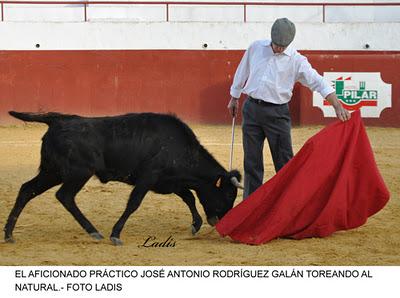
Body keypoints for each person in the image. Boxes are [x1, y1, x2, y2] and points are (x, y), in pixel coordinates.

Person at [227, 17, 351, 199]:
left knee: (284, 163)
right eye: (276, 44)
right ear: (271, 38)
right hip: (251, 109)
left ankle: (289, 204)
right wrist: (234, 98)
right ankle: (250, 206)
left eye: (282, 46)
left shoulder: (297, 60)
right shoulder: (256, 48)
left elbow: (318, 82)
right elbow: (242, 72)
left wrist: (337, 104)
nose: (278, 48)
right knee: (252, 162)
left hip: (277, 115)